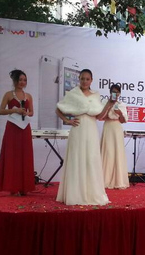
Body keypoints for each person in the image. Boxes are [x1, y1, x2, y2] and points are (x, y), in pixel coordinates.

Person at [55, 69, 110, 205]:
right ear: (79, 79)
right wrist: (67, 121)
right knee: (76, 159)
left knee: (91, 159)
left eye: (87, 79)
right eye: (82, 79)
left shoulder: (95, 95)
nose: (85, 81)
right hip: (78, 129)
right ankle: (75, 194)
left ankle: (91, 193)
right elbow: (58, 109)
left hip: (91, 129)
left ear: (91, 80)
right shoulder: (73, 94)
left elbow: (99, 116)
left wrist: (109, 105)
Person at [0, 69, 35, 195]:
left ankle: (24, 187)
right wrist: (15, 110)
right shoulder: (8, 94)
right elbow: (1, 111)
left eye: (24, 80)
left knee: (25, 155)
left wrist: (26, 113)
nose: (22, 82)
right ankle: (12, 186)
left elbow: (32, 112)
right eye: (20, 80)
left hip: (24, 127)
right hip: (12, 127)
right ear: (14, 81)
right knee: (12, 155)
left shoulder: (28, 96)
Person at [99, 83, 129, 189]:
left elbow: (123, 120)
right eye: (113, 92)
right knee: (107, 152)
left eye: (117, 92)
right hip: (108, 126)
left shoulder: (121, 104)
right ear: (110, 92)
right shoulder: (104, 102)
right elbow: (100, 117)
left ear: (119, 93)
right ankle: (104, 180)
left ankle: (118, 180)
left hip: (117, 128)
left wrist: (120, 113)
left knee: (117, 152)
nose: (115, 94)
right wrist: (109, 105)